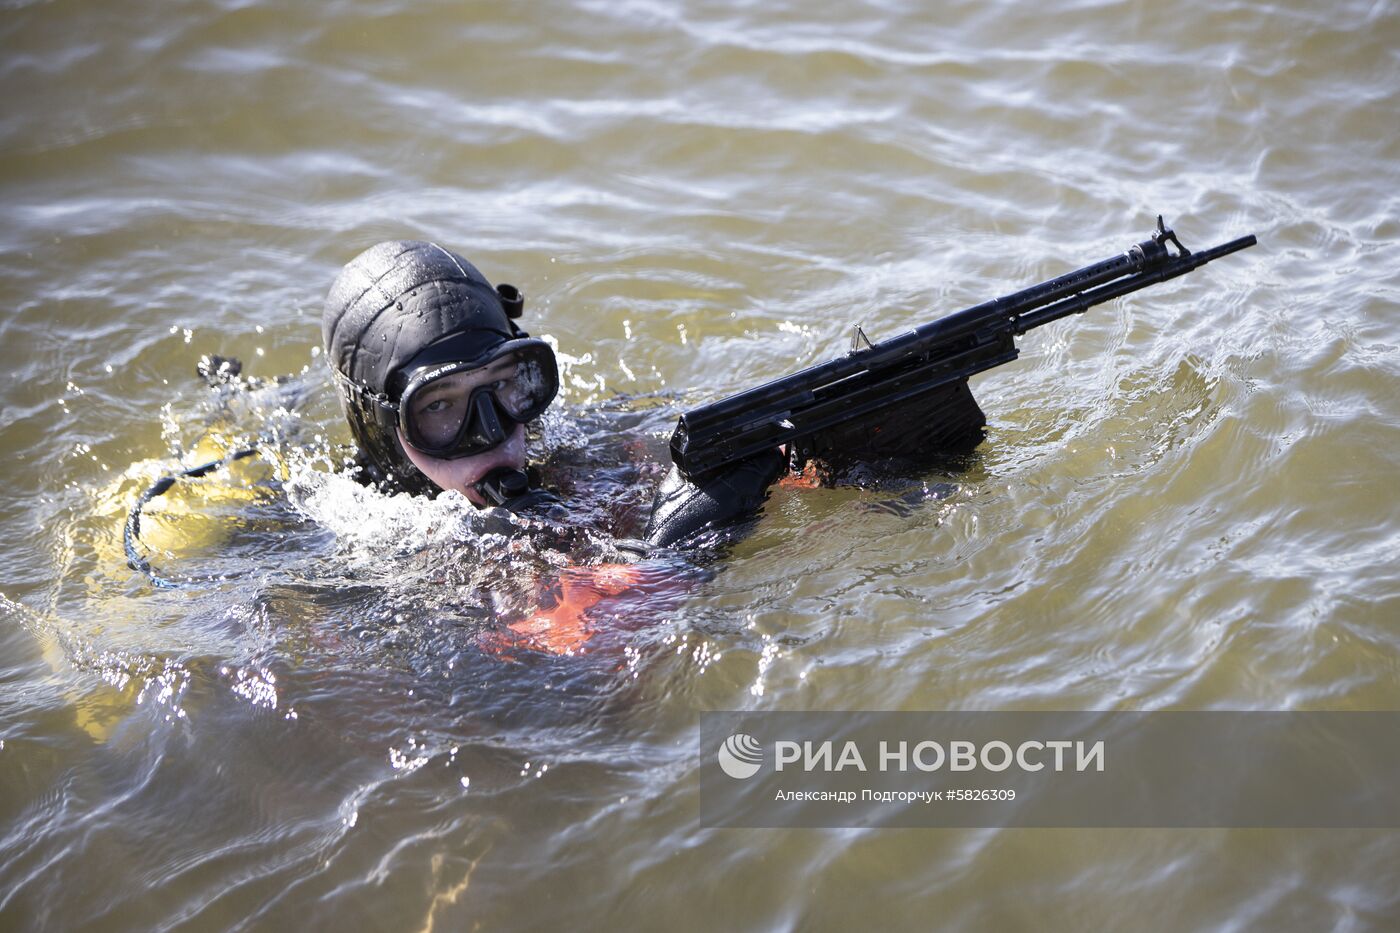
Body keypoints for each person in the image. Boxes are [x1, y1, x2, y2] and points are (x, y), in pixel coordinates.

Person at [321, 239, 785, 552]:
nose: (494, 432)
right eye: (440, 405)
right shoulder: (366, 556)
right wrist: (682, 549)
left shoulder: (594, 450)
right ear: (384, 425)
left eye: (503, 382)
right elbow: (579, 688)